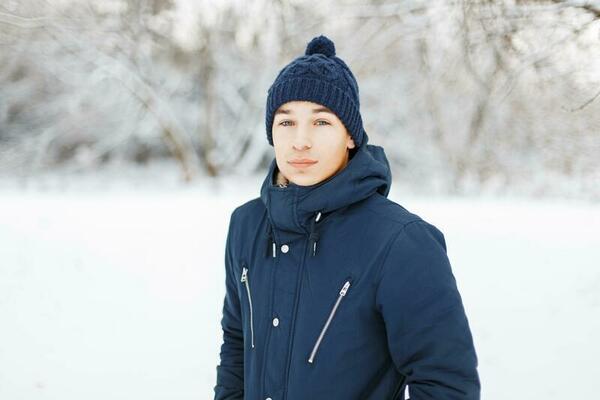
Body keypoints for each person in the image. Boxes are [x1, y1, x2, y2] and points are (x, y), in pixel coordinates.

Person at [213, 34, 480, 400]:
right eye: (286, 122)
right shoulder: (246, 225)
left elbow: (446, 383)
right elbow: (236, 344)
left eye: (321, 123)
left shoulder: (401, 242)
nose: (300, 141)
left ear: (351, 136)